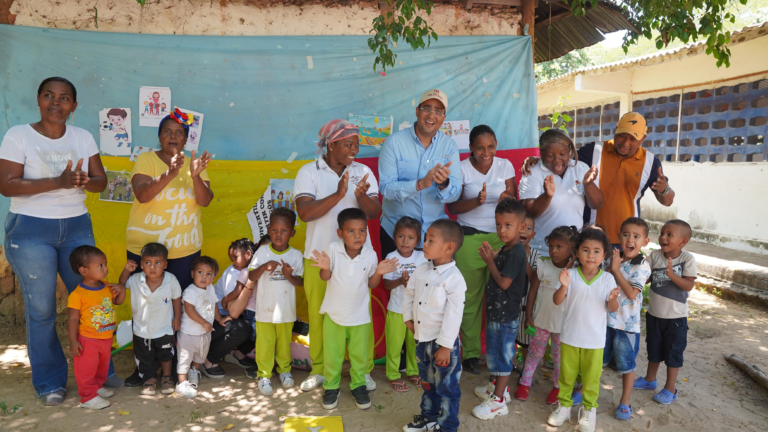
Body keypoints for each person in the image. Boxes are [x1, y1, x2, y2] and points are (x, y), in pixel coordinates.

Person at [0, 77, 114, 405]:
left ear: (74, 106)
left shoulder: (82, 137)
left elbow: (101, 181)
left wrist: (83, 180)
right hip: (31, 229)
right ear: (38, 99)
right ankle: (50, 382)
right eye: (49, 95)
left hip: (76, 227)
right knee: (42, 310)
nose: (56, 102)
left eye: (64, 98)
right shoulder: (18, 135)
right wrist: (59, 181)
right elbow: (6, 185)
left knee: (93, 299)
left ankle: (97, 374)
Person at [294, 120, 381, 392]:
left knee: (359, 317)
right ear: (331, 145)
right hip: (319, 258)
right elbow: (305, 213)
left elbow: (374, 212)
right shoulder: (309, 172)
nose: (354, 149)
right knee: (320, 317)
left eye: (356, 144)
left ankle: (362, 371)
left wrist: (360, 196)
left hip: (357, 260)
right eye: (348, 144)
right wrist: (339, 194)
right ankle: (320, 370)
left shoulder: (363, 171)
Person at [521, 112, 675, 247]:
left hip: (628, 240)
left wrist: (664, 190)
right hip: (592, 238)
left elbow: (667, 201)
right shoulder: (593, 151)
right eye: (622, 135)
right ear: (616, 130)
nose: (625, 143)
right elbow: (561, 158)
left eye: (632, 139)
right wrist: (539, 160)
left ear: (643, 138)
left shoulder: (650, 162)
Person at [310, 208, 398, 410]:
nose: (358, 236)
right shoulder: (333, 249)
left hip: (359, 316)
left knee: (359, 355)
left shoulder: (370, 254)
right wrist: (325, 267)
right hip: (334, 315)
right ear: (340, 233)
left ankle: (358, 385)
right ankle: (331, 386)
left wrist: (379, 272)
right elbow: (325, 277)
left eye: (362, 231)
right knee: (333, 355)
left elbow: (372, 284)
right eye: (351, 231)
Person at [446, 124, 516, 375]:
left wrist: (506, 199)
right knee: (470, 299)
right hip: (469, 240)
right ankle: (471, 354)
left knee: (500, 298)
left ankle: (500, 355)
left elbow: (514, 204)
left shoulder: (505, 166)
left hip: (501, 240)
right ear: (470, 148)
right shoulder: (461, 169)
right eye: (480, 148)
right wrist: (477, 201)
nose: (486, 153)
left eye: (491, 147)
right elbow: (452, 208)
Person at [548, 229, 620, 432]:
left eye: (597, 251)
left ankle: (589, 410)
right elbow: (557, 300)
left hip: (594, 340)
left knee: (591, 378)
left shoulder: (607, 279)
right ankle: (564, 406)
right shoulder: (569, 275)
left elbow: (612, 309)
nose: (591, 255)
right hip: (570, 336)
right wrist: (563, 286)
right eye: (586, 250)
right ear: (577, 252)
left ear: (604, 255)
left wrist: (612, 299)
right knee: (567, 375)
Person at [579, 217, 651, 419]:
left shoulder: (642, 265)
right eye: (626, 234)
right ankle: (583, 390)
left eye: (636, 236)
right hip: (605, 321)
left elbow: (631, 294)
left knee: (627, 365)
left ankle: (625, 401)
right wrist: (613, 267)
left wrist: (616, 269)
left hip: (626, 326)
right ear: (619, 237)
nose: (630, 239)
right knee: (597, 360)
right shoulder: (614, 258)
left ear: (645, 241)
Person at [470, 199, 534, 420]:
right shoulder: (507, 249)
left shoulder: (516, 252)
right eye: (498, 224)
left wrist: (490, 262)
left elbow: (505, 283)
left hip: (506, 316)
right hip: (497, 313)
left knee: (503, 357)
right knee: (495, 354)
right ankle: (499, 389)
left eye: (508, 225)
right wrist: (494, 258)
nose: (502, 230)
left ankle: (498, 402)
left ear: (521, 227)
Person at [379, 89, 461, 257]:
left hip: (435, 236)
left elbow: (455, 193)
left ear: (443, 118)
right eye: (427, 108)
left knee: (434, 276)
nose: (431, 115)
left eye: (438, 111)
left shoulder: (449, 146)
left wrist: (443, 184)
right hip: (397, 233)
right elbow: (386, 188)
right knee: (395, 276)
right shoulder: (394, 143)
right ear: (417, 111)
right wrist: (419, 184)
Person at [401, 219, 466, 432]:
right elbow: (409, 293)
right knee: (428, 383)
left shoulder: (454, 279)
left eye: (431, 240)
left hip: (443, 345)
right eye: (425, 239)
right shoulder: (421, 270)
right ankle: (429, 417)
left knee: (447, 388)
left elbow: (454, 315)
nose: (424, 244)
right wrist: (408, 318)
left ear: (449, 247)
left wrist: (446, 346)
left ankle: (447, 426)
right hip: (422, 340)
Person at [634, 220, 697, 406]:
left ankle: (670, 389)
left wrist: (672, 276)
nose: (663, 237)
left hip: (676, 319)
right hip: (654, 315)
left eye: (670, 234)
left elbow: (689, 285)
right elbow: (645, 279)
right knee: (653, 349)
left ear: (683, 242)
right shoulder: (655, 256)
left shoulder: (687, 259)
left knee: (672, 353)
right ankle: (649, 380)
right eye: (662, 233)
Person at [516, 226, 579, 404]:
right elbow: (532, 291)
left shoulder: (574, 273)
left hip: (562, 326)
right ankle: (524, 383)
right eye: (551, 246)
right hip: (541, 322)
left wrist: (569, 266)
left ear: (571, 250)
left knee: (559, 358)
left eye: (559, 247)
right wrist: (529, 316)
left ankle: (557, 387)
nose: (553, 251)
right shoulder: (543, 266)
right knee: (534, 353)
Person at [518, 129, 603, 258]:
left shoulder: (581, 169)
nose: (557, 161)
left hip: (573, 252)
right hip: (542, 251)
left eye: (562, 154)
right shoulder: (533, 171)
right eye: (550, 155)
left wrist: (588, 185)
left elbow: (597, 204)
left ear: (570, 151)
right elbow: (528, 211)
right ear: (541, 153)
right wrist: (547, 197)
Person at [248, 208, 305, 396]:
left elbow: (301, 282)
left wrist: (289, 275)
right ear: (268, 230)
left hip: (286, 311)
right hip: (265, 311)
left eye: (284, 230)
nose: (278, 234)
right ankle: (264, 375)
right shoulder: (262, 252)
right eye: (274, 230)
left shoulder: (296, 255)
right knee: (264, 344)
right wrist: (264, 266)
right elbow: (251, 276)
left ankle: (284, 370)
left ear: (292, 233)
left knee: (283, 344)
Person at [67, 246, 126, 410]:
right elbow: (72, 318)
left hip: (106, 338)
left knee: (102, 366)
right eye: (100, 265)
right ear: (84, 271)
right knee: (86, 369)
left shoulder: (106, 286)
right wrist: (73, 341)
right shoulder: (77, 294)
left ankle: (97, 387)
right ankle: (87, 397)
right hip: (88, 340)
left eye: (105, 264)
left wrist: (121, 288)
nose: (105, 268)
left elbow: (118, 301)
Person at [120, 243, 182, 396]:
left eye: (157, 263)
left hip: (165, 328)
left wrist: (177, 318)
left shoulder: (171, 279)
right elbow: (122, 284)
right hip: (141, 330)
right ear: (141, 265)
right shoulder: (136, 279)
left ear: (165, 265)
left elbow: (176, 298)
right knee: (145, 357)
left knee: (166, 355)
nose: (152, 267)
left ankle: (166, 377)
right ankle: (149, 378)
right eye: (147, 263)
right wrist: (126, 270)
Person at [382, 216, 427, 392]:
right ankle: (393, 374)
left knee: (414, 344)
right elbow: (387, 284)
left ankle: (413, 371)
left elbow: (427, 280)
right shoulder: (391, 257)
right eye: (401, 236)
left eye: (411, 237)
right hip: (396, 310)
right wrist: (400, 281)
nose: (405, 241)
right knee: (394, 345)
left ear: (417, 240)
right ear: (394, 237)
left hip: (416, 311)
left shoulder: (421, 257)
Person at [175, 256, 225, 399]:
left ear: (213, 277)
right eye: (200, 272)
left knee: (200, 355)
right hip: (188, 333)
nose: (204, 277)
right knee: (185, 357)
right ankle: (181, 382)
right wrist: (204, 322)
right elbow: (189, 310)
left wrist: (219, 319)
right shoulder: (190, 291)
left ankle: (194, 371)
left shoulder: (210, 288)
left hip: (204, 333)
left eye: (209, 274)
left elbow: (214, 304)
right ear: (193, 274)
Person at [515, 214, 540, 367]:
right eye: (521, 227)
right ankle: (506, 368)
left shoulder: (536, 256)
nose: (524, 231)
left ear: (533, 234)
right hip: (510, 306)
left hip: (525, 308)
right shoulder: (506, 250)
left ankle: (525, 371)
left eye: (528, 228)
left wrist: (524, 259)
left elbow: (534, 279)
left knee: (526, 342)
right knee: (507, 339)